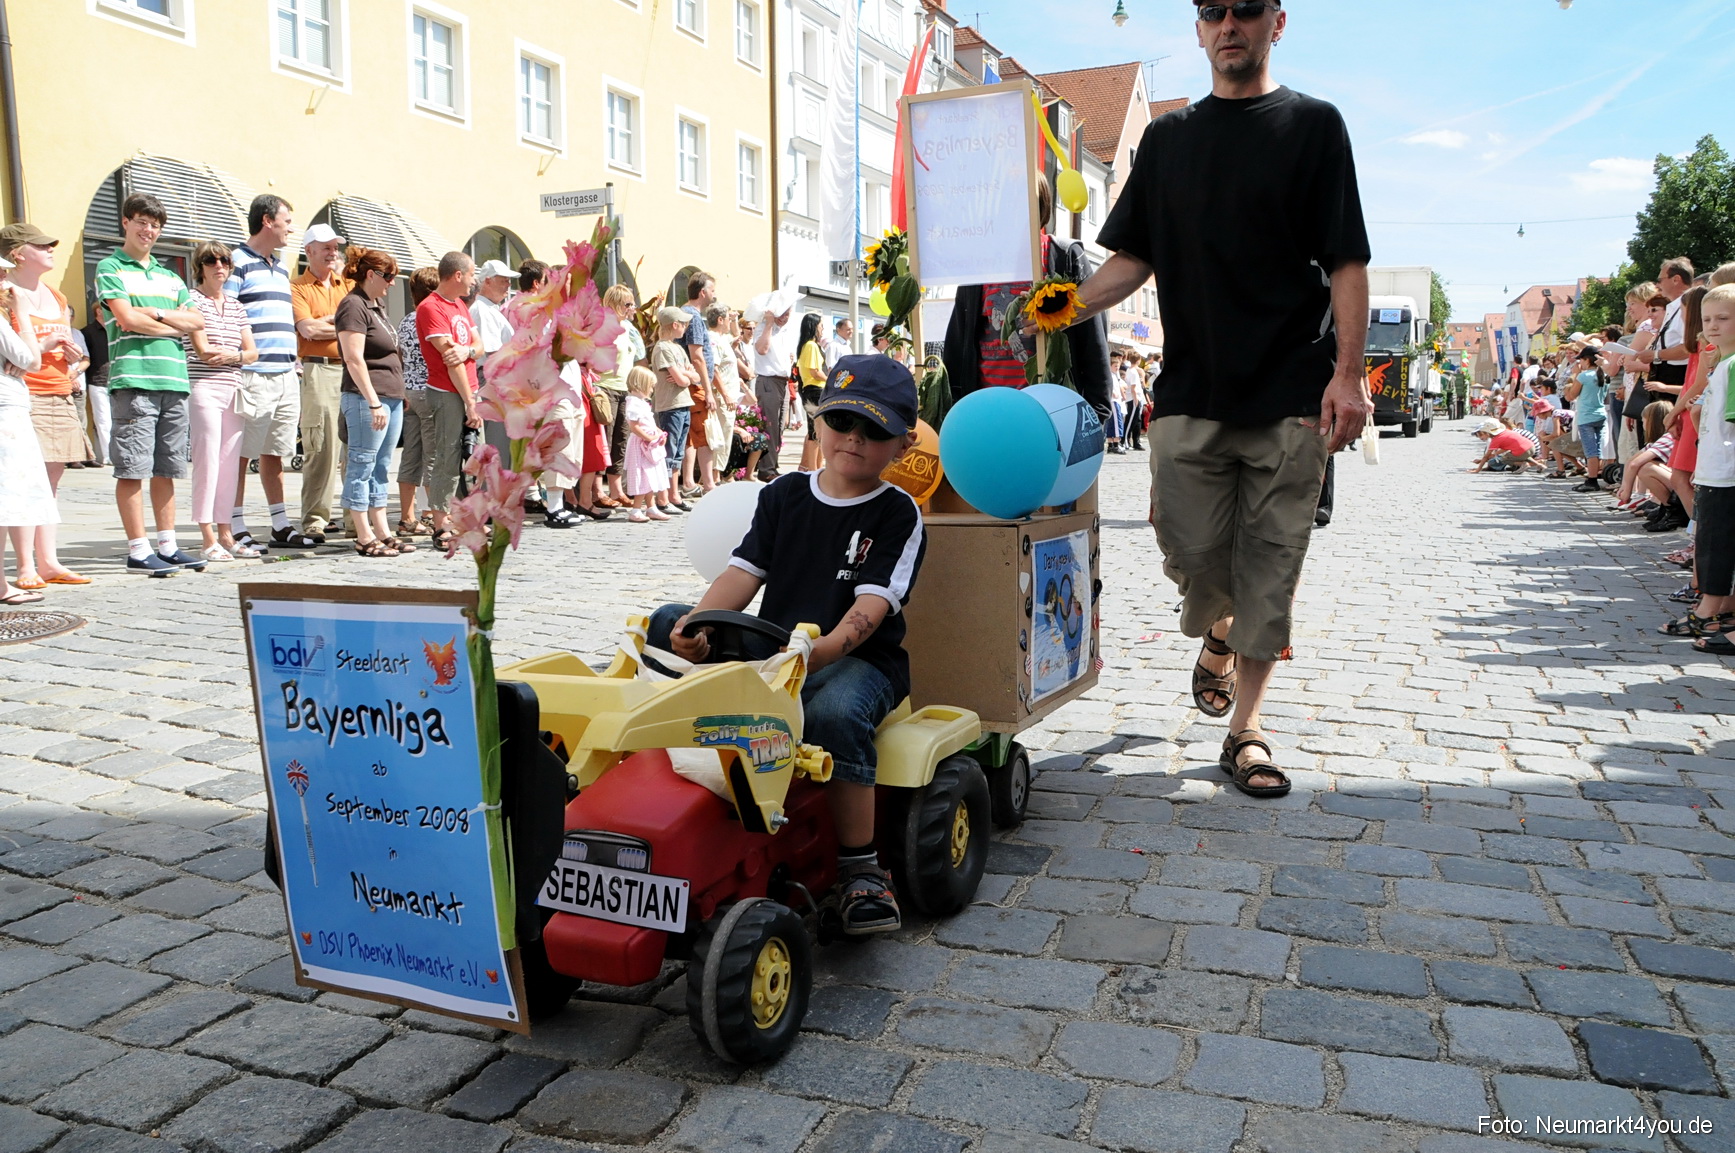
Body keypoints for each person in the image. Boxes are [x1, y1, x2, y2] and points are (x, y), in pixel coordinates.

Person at [1064, 0, 1369, 797]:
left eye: (1245, 8)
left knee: (1271, 565)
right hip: (1193, 390)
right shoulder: (1168, 140)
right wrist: (1063, 304)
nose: (1228, 23)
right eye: (1211, 11)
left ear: (1277, 21)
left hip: (1292, 392)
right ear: (1198, 29)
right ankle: (1221, 633)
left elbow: (1344, 261)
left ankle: (1247, 731)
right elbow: (1133, 258)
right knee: (1190, 554)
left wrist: (1347, 373)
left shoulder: (1313, 126)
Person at [648, 354, 926, 934]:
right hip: (774, 650)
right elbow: (742, 573)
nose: (854, 438)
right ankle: (658, 789)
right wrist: (699, 625)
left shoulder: (897, 511)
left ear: (901, 445)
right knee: (666, 622)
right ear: (818, 422)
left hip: (853, 660)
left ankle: (861, 868)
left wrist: (818, 652)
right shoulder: (784, 495)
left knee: (832, 711)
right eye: (843, 421)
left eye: (875, 430)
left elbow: (871, 609)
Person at [96, 193, 209, 576]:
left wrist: (155, 312)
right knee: (132, 468)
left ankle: (168, 545)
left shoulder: (171, 276)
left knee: (168, 468)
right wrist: (168, 321)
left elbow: (196, 323)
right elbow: (126, 320)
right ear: (126, 222)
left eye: (155, 224)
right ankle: (138, 550)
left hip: (174, 380)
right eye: (142, 221)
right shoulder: (110, 267)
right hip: (134, 378)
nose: (149, 230)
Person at [942, 175, 1113, 426]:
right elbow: (958, 346)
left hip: (1050, 415)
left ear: (1040, 206)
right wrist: (954, 409)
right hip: (988, 413)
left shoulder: (1063, 257)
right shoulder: (978, 268)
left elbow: (1093, 339)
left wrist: (1097, 413)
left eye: (1021, 203)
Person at [0, 222, 89, 587]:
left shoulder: (56, 296)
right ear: (18, 254)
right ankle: (25, 566)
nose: (51, 248)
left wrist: (73, 357)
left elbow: (69, 346)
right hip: (25, 393)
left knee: (49, 480)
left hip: (58, 388)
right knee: (23, 482)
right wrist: (40, 349)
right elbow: (19, 352)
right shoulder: (7, 294)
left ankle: (48, 560)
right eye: (41, 245)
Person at [228, 195, 309, 551]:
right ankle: (235, 524)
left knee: (275, 451)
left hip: (285, 373)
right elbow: (227, 313)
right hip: (254, 373)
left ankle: (280, 524)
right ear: (266, 221)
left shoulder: (279, 266)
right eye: (286, 221)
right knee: (241, 453)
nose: (290, 227)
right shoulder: (235, 262)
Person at [1668, 284, 1735, 654]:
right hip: (1714, 467)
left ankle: (1709, 609)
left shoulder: (1733, 366)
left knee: (1714, 545)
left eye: (1723, 318)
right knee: (1710, 542)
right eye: (1708, 318)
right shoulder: (1722, 365)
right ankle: (1717, 607)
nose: (1712, 325)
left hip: (1726, 470)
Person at [184, 241, 258, 561]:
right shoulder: (190, 300)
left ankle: (226, 534)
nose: (220, 267)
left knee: (229, 464)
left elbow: (253, 353)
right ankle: (206, 536)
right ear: (200, 266)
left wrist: (232, 356)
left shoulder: (236, 305)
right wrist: (237, 356)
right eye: (212, 262)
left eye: (225, 262)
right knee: (208, 461)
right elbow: (202, 351)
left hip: (234, 388)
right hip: (203, 386)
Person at [336, 246, 411, 557]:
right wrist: (373, 402)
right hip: (368, 398)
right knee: (362, 464)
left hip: (390, 395)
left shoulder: (375, 307)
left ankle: (382, 529)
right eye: (389, 276)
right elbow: (354, 358)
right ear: (371, 274)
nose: (392, 283)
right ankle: (363, 534)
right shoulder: (353, 306)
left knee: (381, 466)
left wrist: (397, 396)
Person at [416, 252, 484, 551]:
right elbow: (450, 360)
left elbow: (477, 347)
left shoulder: (459, 306)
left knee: (471, 458)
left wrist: (468, 351)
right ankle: (441, 523)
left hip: (469, 391)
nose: (473, 281)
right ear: (457, 275)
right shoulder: (430, 308)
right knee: (447, 458)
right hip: (447, 393)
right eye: (471, 275)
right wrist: (469, 403)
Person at [290, 222, 351, 540]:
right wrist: (341, 326)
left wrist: (328, 323)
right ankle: (315, 519)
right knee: (322, 446)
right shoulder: (298, 287)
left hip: (351, 368)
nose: (332, 252)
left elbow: (362, 327)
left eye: (334, 247)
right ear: (309, 251)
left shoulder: (347, 285)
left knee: (355, 447)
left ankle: (355, 518)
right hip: (319, 369)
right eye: (325, 247)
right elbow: (308, 331)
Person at [0, 259, 56, 604]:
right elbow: (31, 361)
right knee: (6, 498)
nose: (6, 279)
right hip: (6, 410)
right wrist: (21, 311)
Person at [395, 266, 440, 538]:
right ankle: (433, 515)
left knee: (411, 455)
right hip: (431, 390)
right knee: (434, 456)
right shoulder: (431, 317)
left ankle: (407, 516)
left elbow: (401, 356)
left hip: (410, 392)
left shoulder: (405, 320)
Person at [595, 284, 642, 507]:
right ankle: (597, 490)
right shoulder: (605, 326)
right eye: (628, 304)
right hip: (605, 387)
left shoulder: (626, 328)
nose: (632, 307)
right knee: (605, 439)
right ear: (614, 304)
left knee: (620, 441)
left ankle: (616, 490)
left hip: (623, 389)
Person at [651, 305, 698, 514]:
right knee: (669, 452)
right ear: (675, 325)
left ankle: (674, 495)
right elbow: (680, 379)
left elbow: (693, 378)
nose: (686, 327)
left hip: (683, 404)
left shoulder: (678, 348)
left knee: (678, 452)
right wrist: (685, 376)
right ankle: (663, 498)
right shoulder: (662, 348)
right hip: (669, 405)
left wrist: (686, 376)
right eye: (684, 324)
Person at [472, 258, 518, 461]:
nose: (508, 285)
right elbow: (491, 354)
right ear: (488, 281)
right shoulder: (482, 310)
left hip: (496, 381)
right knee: (498, 444)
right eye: (503, 280)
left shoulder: (490, 308)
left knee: (501, 444)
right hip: (494, 382)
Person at [679, 271, 719, 497]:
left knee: (691, 436)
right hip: (695, 385)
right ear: (702, 292)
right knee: (703, 434)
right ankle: (708, 482)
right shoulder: (692, 316)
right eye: (712, 290)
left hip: (691, 383)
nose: (714, 295)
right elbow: (697, 355)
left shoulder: (687, 314)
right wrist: (709, 390)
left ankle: (689, 482)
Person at [752, 294, 796, 477]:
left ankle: (772, 465)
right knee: (769, 425)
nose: (785, 317)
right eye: (782, 313)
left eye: (788, 313)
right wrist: (769, 323)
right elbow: (762, 349)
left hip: (782, 382)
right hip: (768, 380)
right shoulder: (763, 328)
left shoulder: (784, 332)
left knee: (779, 427)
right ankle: (766, 469)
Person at [621, 366, 669, 523]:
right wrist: (648, 438)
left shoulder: (641, 403)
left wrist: (659, 433)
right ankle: (636, 509)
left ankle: (651, 507)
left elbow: (649, 423)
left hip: (649, 443)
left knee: (651, 476)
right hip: (641, 445)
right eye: (650, 386)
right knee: (643, 476)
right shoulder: (633, 403)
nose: (652, 390)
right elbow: (634, 426)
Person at [707, 303, 745, 482]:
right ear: (720, 320)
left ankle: (717, 475)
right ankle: (714, 476)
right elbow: (713, 370)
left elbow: (737, 334)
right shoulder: (713, 339)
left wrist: (735, 318)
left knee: (725, 435)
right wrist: (725, 395)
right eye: (728, 319)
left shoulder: (722, 338)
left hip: (728, 396)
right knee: (720, 436)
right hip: (722, 397)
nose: (731, 322)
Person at [1564, 346, 1608, 492]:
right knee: (1598, 448)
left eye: (1581, 360)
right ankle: (1595, 475)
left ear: (1587, 360)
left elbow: (1571, 396)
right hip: (1601, 414)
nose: (1579, 363)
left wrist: (1575, 376)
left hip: (1586, 416)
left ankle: (1592, 480)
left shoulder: (1584, 376)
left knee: (1590, 450)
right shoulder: (1603, 374)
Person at [795, 313, 827, 472]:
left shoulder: (808, 346)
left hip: (812, 390)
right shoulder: (811, 346)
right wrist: (830, 380)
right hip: (815, 389)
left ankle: (817, 467)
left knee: (819, 431)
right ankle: (813, 469)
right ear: (814, 327)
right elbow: (815, 372)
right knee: (815, 431)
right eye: (821, 325)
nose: (822, 329)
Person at [82, 300, 112, 466]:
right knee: (103, 421)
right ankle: (108, 455)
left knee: (119, 420)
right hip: (97, 381)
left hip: (117, 381)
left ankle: (119, 454)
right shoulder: (88, 332)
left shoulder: (117, 329)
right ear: (99, 311)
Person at [1469, 418, 1542, 473]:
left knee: (1504, 459)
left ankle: (1523, 464)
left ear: (1487, 433)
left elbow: (1486, 456)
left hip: (1521, 450)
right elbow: (1506, 448)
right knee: (1524, 455)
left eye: (1482, 434)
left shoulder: (1496, 440)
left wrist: (1478, 470)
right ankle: (1539, 464)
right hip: (1531, 447)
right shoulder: (1506, 432)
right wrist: (1495, 454)